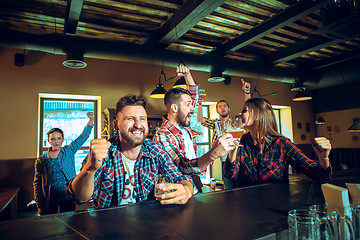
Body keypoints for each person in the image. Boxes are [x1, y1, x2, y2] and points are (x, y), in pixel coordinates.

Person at [67, 95, 196, 208]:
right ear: (116, 125)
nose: (138, 124)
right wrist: (89, 168)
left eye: (142, 118)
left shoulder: (155, 150)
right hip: (108, 228)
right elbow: (80, 198)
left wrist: (186, 190)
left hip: (148, 227)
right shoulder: (105, 153)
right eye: (130, 118)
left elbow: (181, 178)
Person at [153, 64, 236, 193]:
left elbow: (194, 98)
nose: (192, 108)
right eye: (188, 105)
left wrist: (187, 75)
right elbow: (183, 167)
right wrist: (213, 153)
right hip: (176, 195)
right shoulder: (162, 136)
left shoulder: (185, 128)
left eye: (192, 105)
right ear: (175, 108)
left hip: (195, 188)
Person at [224, 98, 333, 187]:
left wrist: (323, 158)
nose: (239, 113)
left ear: (259, 114)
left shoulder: (282, 144)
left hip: (274, 206)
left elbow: (322, 177)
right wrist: (232, 151)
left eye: (244, 110)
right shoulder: (242, 141)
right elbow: (230, 175)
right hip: (245, 207)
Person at [33, 112, 94, 215]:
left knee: (69, 222)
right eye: (53, 139)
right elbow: (37, 183)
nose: (56, 141)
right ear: (48, 141)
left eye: (58, 138)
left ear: (62, 140)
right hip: (50, 199)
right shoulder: (42, 160)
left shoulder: (69, 151)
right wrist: (39, 204)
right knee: (51, 225)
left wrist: (91, 121)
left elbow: (82, 138)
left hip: (68, 196)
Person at [197, 78, 251, 189]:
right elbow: (201, 119)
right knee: (229, 189)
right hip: (224, 160)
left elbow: (248, 110)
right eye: (220, 107)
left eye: (224, 106)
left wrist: (247, 92)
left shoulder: (236, 121)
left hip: (240, 157)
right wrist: (199, 104)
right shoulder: (216, 123)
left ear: (229, 109)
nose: (222, 108)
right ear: (217, 111)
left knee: (243, 187)